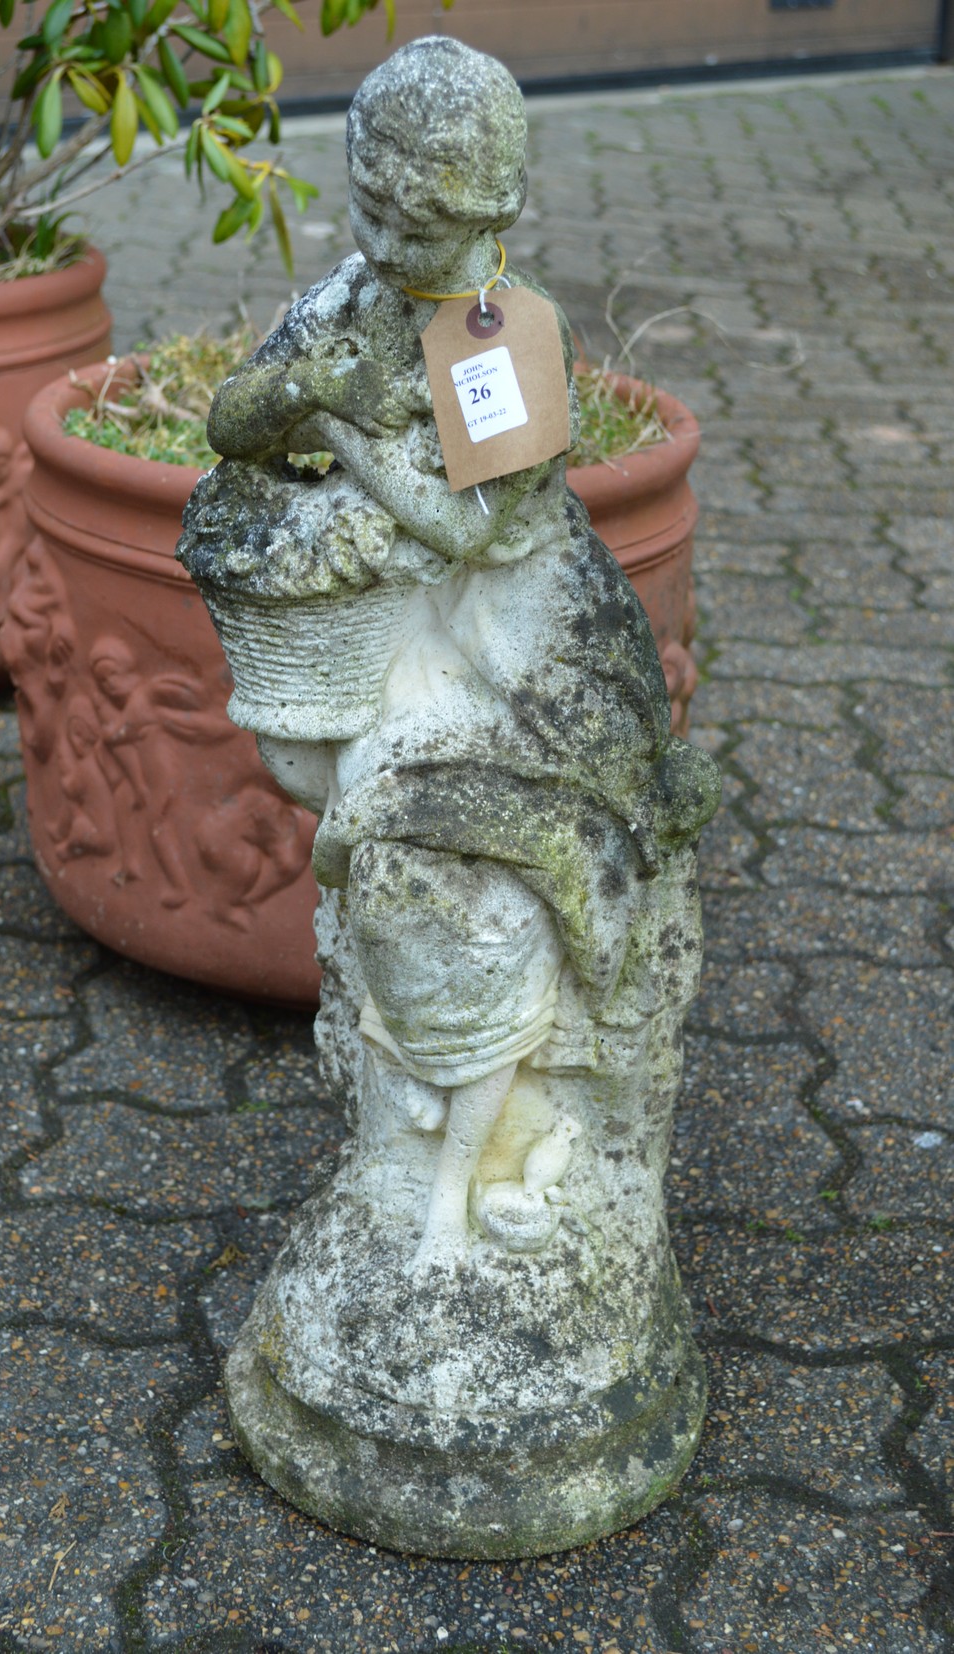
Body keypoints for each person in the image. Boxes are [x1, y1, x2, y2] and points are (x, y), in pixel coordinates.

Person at [179, 37, 718, 1272]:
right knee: (335, 795)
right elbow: (232, 423)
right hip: (404, 628)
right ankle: (417, 1115)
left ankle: (515, 1120)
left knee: (443, 842)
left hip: (528, 659)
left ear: (491, 215)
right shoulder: (350, 303)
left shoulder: (508, 334)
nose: (383, 237)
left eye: (415, 221)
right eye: (366, 200)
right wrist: (299, 387)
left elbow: (475, 530)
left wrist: (353, 434)